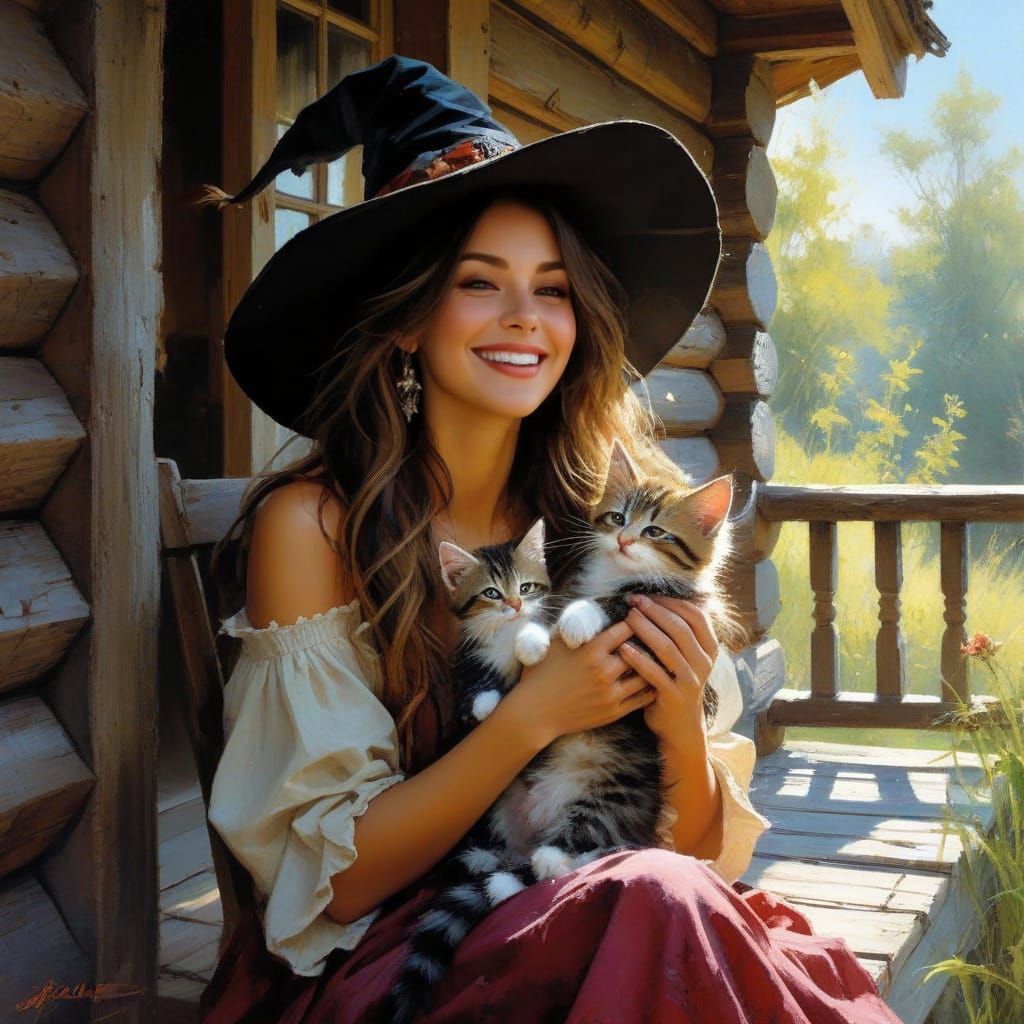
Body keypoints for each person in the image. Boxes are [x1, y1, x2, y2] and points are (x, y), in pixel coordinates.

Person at [197, 55, 903, 1023]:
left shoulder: (601, 518)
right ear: (406, 319)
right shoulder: (316, 526)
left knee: (668, 900)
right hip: (408, 952)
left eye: (554, 288)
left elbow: (697, 848)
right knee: (659, 906)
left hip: (602, 902)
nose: (525, 319)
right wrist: (531, 715)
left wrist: (677, 719)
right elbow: (341, 881)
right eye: (479, 282)